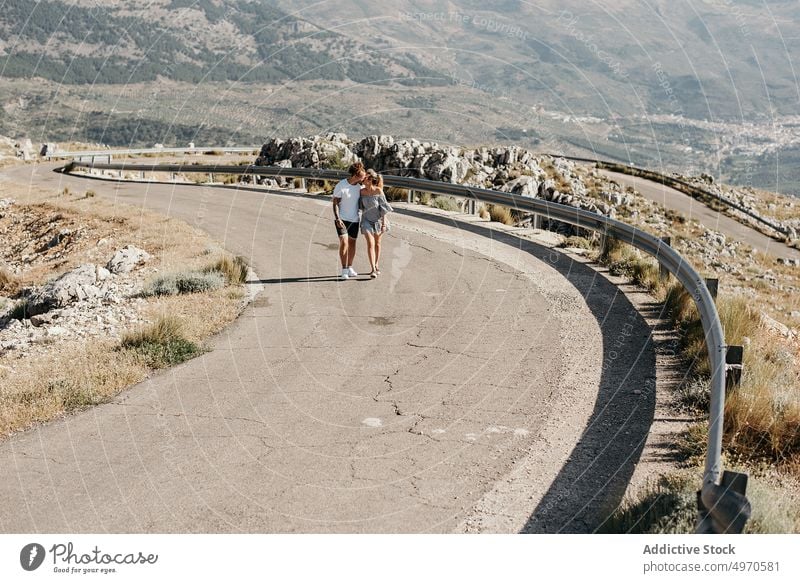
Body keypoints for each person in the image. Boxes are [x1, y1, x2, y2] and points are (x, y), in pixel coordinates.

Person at [333, 162, 366, 280]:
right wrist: (337, 218)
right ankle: (344, 270)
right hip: (342, 219)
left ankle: (350, 267)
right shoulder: (341, 185)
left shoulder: (360, 187)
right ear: (355, 175)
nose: (364, 178)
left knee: (352, 244)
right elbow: (335, 202)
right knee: (344, 242)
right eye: (363, 176)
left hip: (355, 220)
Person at [359, 169, 393, 278]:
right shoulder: (362, 192)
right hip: (366, 220)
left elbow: (384, 209)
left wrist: (383, 224)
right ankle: (373, 269)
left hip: (378, 221)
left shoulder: (378, 191)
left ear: (369, 180)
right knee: (370, 243)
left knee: (377, 243)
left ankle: (377, 263)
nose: (363, 179)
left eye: (365, 178)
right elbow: (360, 207)